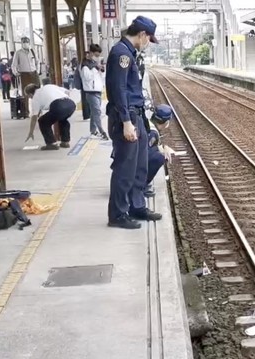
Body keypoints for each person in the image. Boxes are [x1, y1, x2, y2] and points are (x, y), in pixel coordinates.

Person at [106, 15, 161, 229]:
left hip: (136, 115)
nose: (148, 43)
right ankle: (117, 215)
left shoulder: (129, 53)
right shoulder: (122, 54)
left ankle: (136, 207)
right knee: (125, 169)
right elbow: (118, 90)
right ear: (141, 34)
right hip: (126, 117)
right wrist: (126, 121)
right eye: (149, 39)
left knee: (139, 166)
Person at [24, 83, 76, 151]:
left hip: (58, 106)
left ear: (30, 94)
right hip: (70, 104)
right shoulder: (49, 86)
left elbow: (34, 117)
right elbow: (67, 91)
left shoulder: (35, 98)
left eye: (28, 96)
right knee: (63, 119)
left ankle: (51, 143)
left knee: (42, 121)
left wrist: (31, 132)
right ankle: (65, 142)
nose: (29, 98)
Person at [145, 104, 176, 197]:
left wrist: (164, 147)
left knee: (160, 153)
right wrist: (162, 152)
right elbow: (145, 154)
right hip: (131, 169)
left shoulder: (149, 124)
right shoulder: (153, 133)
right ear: (166, 122)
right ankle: (140, 186)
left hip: (125, 164)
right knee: (160, 157)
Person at [81, 44, 109, 139]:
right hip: (90, 92)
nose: (97, 57)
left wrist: (102, 70)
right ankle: (102, 132)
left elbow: (101, 78)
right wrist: (95, 68)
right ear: (91, 53)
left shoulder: (94, 65)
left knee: (94, 112)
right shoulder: (85, 65)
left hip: (98, 91)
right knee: (97, 112)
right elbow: (87, 77)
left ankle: (93, 131)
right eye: (96, 55)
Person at [12, 37, 39, 117]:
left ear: (29, 42)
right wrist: (16, 73)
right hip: (24, 74)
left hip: (34, 73)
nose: (25, 43)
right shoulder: (18, 53)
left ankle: (37, 111)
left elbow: (37, 62)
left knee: (37, 93)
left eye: (26, 42)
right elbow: (14, 65)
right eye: (23, 42)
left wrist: (37, 70)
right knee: (25, 94)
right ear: (21, 43)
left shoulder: (32, 51)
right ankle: (26, 112)